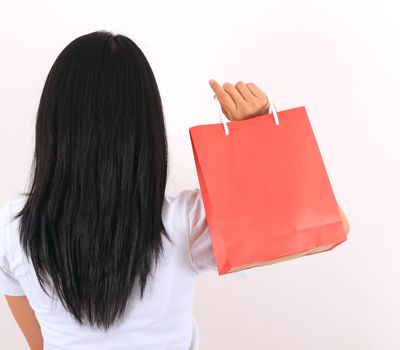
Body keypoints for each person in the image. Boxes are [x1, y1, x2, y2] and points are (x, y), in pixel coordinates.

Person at [0, 30, 350, 350]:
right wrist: (258, 134)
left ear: (53, 124)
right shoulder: (187, 221)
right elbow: (328, 227)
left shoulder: (12, 227)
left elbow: (40, 345)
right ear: (145, 128)